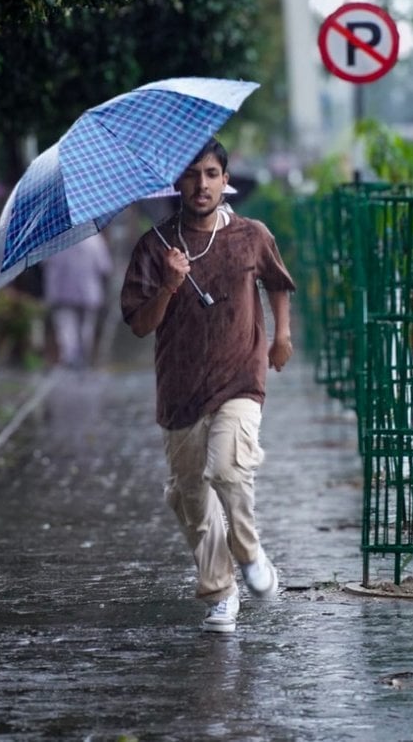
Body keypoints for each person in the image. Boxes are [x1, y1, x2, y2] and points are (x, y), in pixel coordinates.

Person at [120, 138, 295, 633]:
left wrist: (281, 336)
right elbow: (138, 324)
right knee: (192, 498)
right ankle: (221, 591)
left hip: (240, 376)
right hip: (179, 390)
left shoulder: (250, 235)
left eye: (212, 173)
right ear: (177, 182)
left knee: (228, 469)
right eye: (192, 174)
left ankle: (250, 551)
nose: (202, 184)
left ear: (225, 179)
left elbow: (277, 282)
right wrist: (170, 283)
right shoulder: (155, 247)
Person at [43, 232, 113, 368]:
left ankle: (70, 358)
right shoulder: (94, 240)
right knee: (86, 326)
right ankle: (83, 357)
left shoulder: (54, 240)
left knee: (66, 325)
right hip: (88, 291)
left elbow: (45, 264)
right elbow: (105, 267)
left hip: (61, 290)